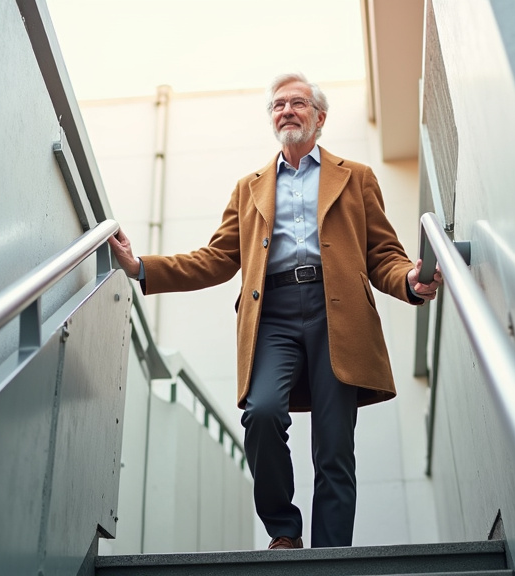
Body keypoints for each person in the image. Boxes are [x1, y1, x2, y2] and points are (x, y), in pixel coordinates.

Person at [108, 73, 442, 550]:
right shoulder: (250, 188)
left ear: (319, 117)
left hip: (338, 314)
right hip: (273, 317)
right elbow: (217, 259)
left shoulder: (357, 177)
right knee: (262, 413)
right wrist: (141, 267)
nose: (286, 110)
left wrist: (408, 279)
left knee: (333, 446)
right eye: (278, 105)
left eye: (298, 103)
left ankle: (330, 553)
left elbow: (382, 255)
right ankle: (284, 530)